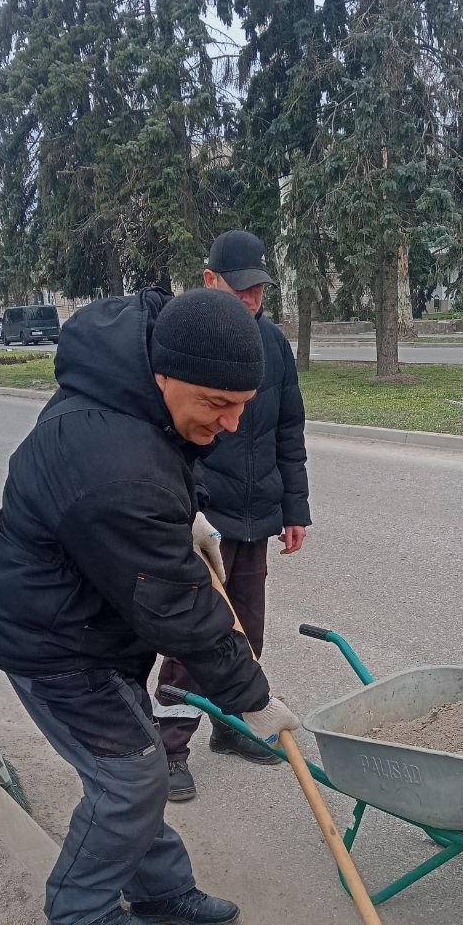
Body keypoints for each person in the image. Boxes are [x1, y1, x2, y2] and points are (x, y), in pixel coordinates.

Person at [0, 288, 300, 925]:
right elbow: (180, 609)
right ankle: (80, 902)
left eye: (241, 405)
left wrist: (186, 515)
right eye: (217, 405)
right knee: (132, 775)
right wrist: (253, 698)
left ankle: (158, 889)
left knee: (138, 765)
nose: (232, 424)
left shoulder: (129, 391)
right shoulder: (115, 462)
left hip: (93, 623)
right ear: (165, 376)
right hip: (52, 643)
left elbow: (150, 494)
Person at [156, 230, 311, 802]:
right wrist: (186, 510)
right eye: (239, 288)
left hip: (256, 516)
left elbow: (289, 431)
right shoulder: (187, 347)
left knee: (247, 628)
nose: (250, 300)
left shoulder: (274, 346)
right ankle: (169, 748)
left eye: (258, 290)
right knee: (192, 636)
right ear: (210, 281)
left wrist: (294, 509)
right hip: (204, 518)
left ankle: (233, 724)